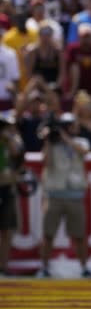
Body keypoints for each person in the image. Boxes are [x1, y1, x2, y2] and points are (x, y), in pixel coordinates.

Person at [37, 113, 91, 278]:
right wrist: (48, 141)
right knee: (48, 234)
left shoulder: (81, 141)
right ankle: (44, 267)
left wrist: (66, 138)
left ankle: (84, 267)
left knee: (79, 234)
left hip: (74, 195)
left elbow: (84, 151)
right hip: (54, 194)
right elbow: (45, 162)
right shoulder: (52, 144)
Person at [0, 115, 22, 276]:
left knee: (7, 230)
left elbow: (17, 153)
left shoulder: (10, 142)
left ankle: (3, 266)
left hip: (7, 189)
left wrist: (8, 139)